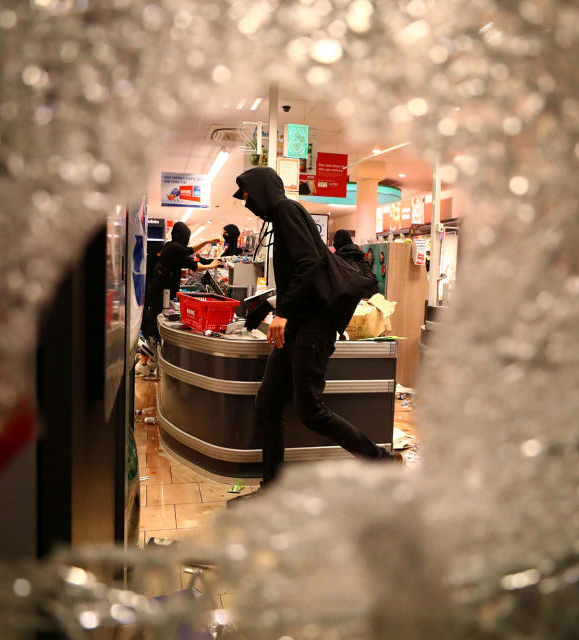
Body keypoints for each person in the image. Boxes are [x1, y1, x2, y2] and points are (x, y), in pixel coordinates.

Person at [228, 167, 398, 505]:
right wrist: (271, 306)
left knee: (310, 411)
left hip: (311, 329)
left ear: (260, 189)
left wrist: (283, 313)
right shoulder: (281, 216)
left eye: (247, 194)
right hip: (299, 328)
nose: (246, 202)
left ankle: (381, 461)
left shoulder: (287, 211)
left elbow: (309, 264)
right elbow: (300, 275)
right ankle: (272, 494)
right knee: (268, 403)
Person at [141, 221, 219, 344]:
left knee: (155, 313)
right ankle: (154, 340)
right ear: (184, 237)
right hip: (162, 290)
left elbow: (190, 250)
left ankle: (152, 338)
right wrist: (211, 265)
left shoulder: (171, 245)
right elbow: (195, 266)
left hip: (157, 287)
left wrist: (206, 242)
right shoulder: (176, 249)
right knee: (157, 314)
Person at [332, 229, 378, 298]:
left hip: (350, 301)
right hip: (369, 299)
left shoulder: (338, 259)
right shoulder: (362, 257)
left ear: (337, 243)